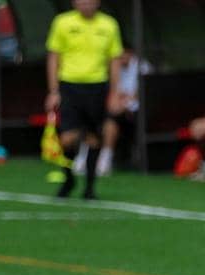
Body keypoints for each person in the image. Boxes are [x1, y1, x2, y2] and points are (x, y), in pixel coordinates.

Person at [44, 0, 122, 199]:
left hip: (97, 86)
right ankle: (68, 178)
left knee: (94, 137)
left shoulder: (109, 25)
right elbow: (54, 57)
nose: (86, 5)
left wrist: (114, 92)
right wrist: (54, 91)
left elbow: (114, 60)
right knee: (67, 138)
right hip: (70, 86)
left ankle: (89, 187)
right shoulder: (62, 22)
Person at [74, 44, 149, 177]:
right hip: (112, 111)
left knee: (110, 117)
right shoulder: (110, 68)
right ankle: (84, 156)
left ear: (131, 53)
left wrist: (124, 103)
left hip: (136, 113)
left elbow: (140, 95)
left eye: (123, 55)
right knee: (99, 117)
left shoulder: (142, 67)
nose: (120, 59)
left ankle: (104, 160)